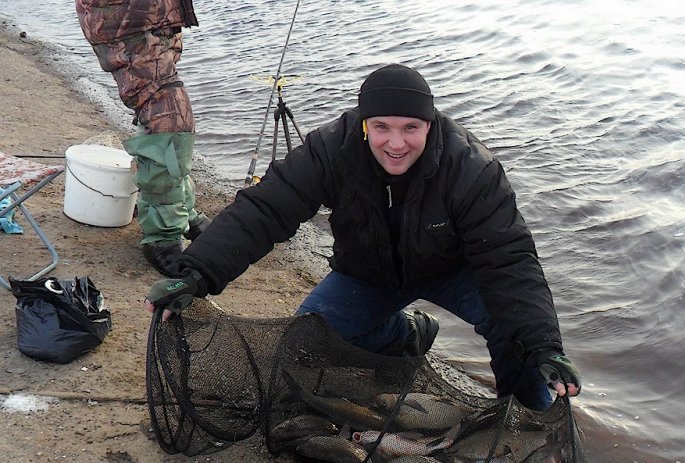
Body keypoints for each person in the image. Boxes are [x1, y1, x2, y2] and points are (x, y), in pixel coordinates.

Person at [146, 64, 580, 409]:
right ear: (364, 124)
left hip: (454, 270)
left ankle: (527, 421)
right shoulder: (331, 149)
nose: (396, 143)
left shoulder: (472, 168)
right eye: (382, 127)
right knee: (308, 342)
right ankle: (404, 337)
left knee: (515, 335)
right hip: (368, 274)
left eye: (410, 128)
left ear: (431, 125)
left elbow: (511, 260)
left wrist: (544, 346)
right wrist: (197, 271)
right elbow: (265, 208)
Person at [75, 0, 210, 277]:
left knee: (160, 111)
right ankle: (161, 237)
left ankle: (180, 210)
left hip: (155, 19)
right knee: (169, 117)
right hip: (128, 17)